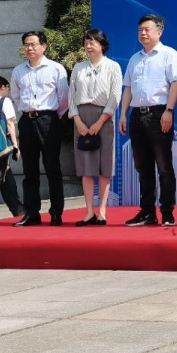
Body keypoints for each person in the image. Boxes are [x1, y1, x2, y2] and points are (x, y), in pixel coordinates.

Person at [119, 14, 177, 226]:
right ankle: (147, 212)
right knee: (142, 166)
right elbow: (128, 88)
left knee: (164, 165)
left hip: (159, 113)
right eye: (140, 30)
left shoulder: (169, 54)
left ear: (159, 32)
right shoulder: (135, 59)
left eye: (147, 29)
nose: (143, 33)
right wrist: (123, 114)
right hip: (137, 115)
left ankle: (167, 212)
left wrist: (169, 110)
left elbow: (176, 83)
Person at [10, 30, 70, 226]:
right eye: (26, 44)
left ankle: (56, 213)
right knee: (29, 170)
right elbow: (16, 97)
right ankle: (31, 213)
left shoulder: (56, 68)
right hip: (27, 121)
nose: (29, 48)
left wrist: (52, 116)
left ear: (44, 46)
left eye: (33, 44)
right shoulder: (18, 71)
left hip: (49, 120)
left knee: (52, 167)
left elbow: (64, 98)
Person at [69, 29, 122, 226]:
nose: (88, 46)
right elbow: (71, 96)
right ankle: (89, 211)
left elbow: (115, 96)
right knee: (86, 167)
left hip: (104, 118)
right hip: (81, 118)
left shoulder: (113, 66)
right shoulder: (78, 68)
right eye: (86, 42)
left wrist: (100, 122)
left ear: (102, 44)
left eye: (93, 42)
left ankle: (102, 211)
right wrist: (78, 121)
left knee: (103, 167)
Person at [0, 76, 21, 216]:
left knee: (7, 178)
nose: (8, 90)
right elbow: (10, 123)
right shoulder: (4, 101)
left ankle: (18, 209)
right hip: (0, 145)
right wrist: (15, 145)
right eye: (7, 87)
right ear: (1, 87)